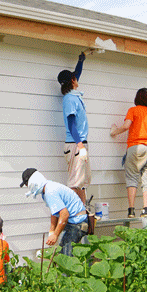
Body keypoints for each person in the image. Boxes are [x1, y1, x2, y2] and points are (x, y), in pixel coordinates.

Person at [110, 88, 147, 218]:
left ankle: (131, 210)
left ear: (137, 98)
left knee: (132, 178)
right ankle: (145, 209)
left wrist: (114, 131)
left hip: (136, 147)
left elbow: (126, 126)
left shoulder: (133, 110)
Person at [21, 168, 88, 257]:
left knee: (65, 256)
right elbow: (55, 212)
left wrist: (55, 235)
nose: (27, 187)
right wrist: (52, 231)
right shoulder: (47, 189)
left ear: (32, 182)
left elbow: (64, 215)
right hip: (73, 221)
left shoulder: (50, 191)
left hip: (78, 223)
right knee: (61, 250)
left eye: (26, 184)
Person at [57, 52, 90, 204]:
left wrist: (81, 60)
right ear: (72, 81)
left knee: (81, 182)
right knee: (74, 182)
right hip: (75, 144)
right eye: (75, 77)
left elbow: (76, 74)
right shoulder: (70, 99)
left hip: (79, 144)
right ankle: (73, 211)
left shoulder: (73, 95)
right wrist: (80, 145)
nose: (77, 78)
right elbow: (71, 124)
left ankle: (82, 210)